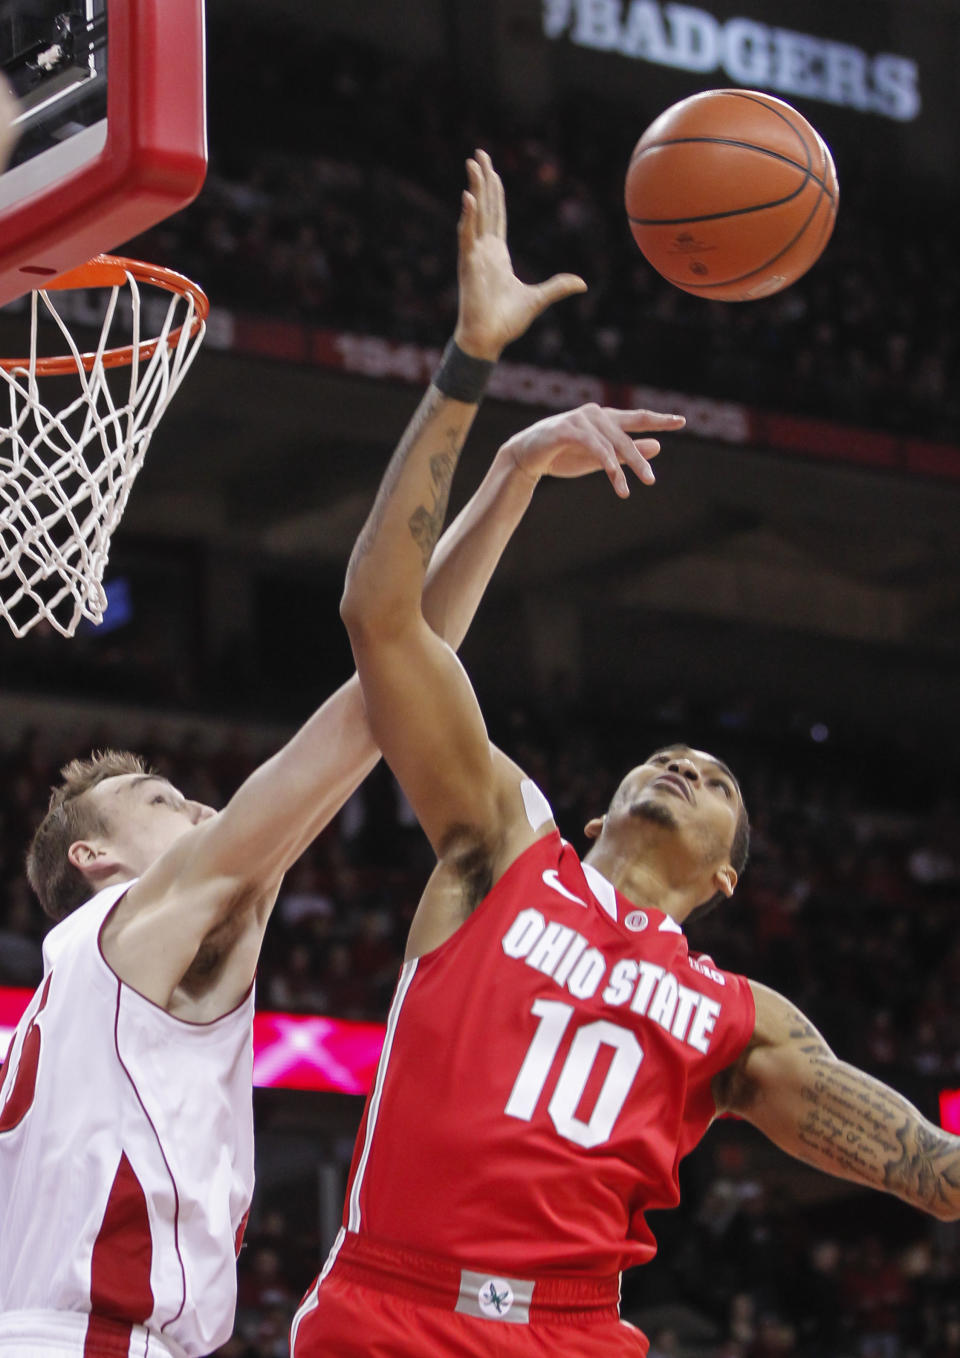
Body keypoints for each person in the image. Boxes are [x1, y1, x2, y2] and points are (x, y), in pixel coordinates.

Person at [291, 150, 960, 1356]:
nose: (686, 767)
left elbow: (936, 1170)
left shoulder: (736, 1018)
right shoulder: (504, 846)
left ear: (727, 879)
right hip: (391, 1308)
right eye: (669, 757)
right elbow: (382, 617)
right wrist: (471, 376)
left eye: (718, 781)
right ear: (598, 808)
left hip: (573, 1333)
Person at [0, 257, 637, 1354]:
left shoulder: (71, 1001)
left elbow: (394, 672)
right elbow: (381, 673)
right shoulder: (138, 923)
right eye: (162, 795)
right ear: (99, 857)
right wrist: (500, 444)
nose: (203, 801)